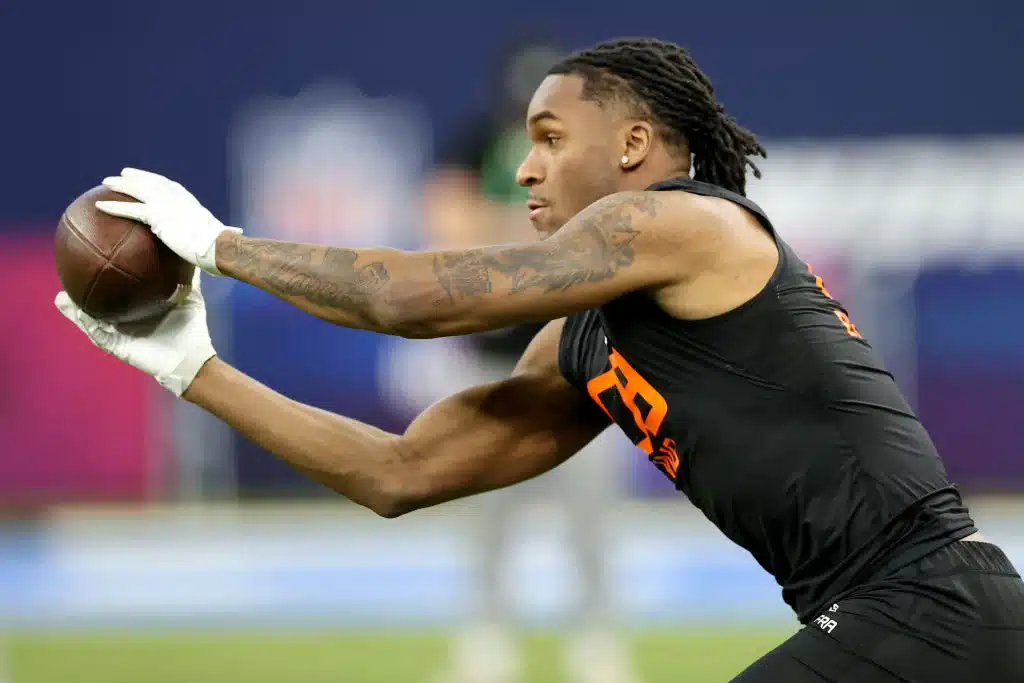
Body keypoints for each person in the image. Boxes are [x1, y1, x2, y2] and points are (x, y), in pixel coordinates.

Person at [56, 37, 1024, 682]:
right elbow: (402, 472)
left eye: (552, 138)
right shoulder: (581, 339)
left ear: (637, 146)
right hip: (896, 619)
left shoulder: (682, 221)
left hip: (925, 600)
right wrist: (193, 368)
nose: (524, 168)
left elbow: (407, 298)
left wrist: (223, 245)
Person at [379, 37, 639, 683]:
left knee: (592, 519)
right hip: (492, 356)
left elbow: (606, 236)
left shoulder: (591, 150)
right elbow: (450, 230)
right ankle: (487, 639)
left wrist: (507, 234)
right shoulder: (476, 141)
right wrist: (540, 235)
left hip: (582, 357)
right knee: (488, 514)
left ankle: (596, 641)